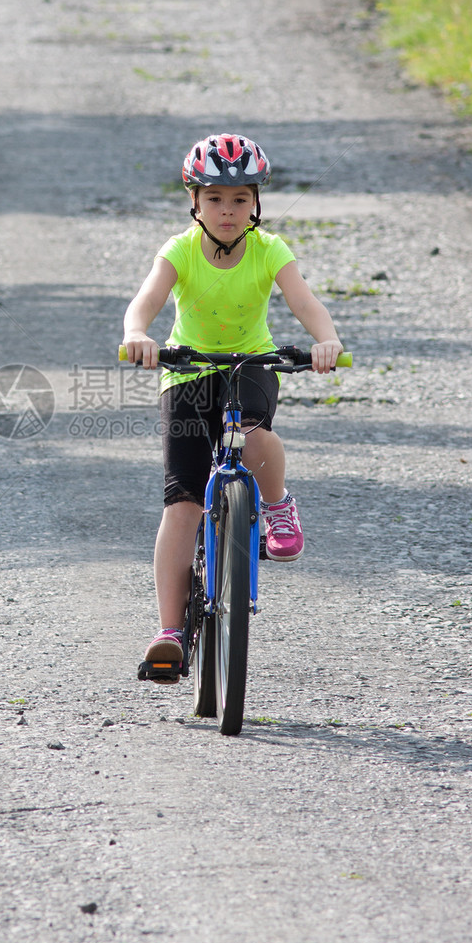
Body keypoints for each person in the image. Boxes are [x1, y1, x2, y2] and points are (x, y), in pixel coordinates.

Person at [122, 133, 343, 667]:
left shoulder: (270, 250)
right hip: (187, 368)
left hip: (252, 362)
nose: (228, 210)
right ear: (194, 202)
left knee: (254, 429)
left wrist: (326, 340)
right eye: (215, 199)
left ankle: (276, 504)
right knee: (183, 504)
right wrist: (138, 333)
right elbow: (146, 300)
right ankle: (171, 632)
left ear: (256, 204)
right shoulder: (179, 251)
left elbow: (304, 301)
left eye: (240, 199)